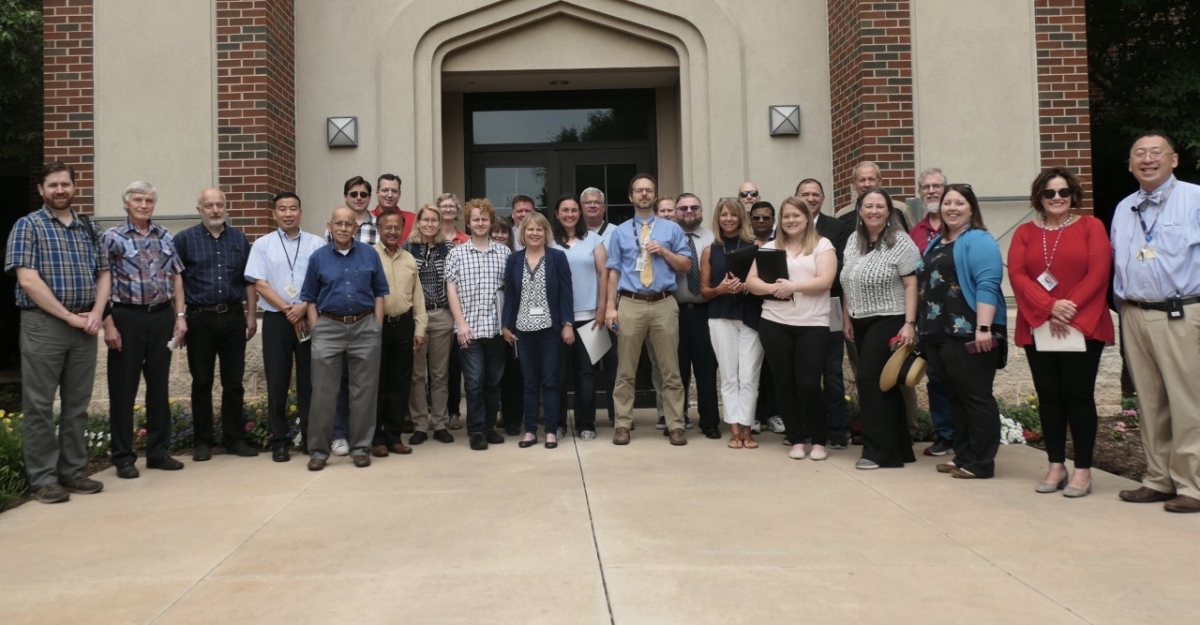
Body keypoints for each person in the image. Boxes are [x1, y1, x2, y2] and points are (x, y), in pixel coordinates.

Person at [4, 161, 109, 502]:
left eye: (65, 184)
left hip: (85, 325)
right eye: (53, 185)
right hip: (44, 325)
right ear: (41, 190)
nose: (60, 190)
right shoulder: (27, 226)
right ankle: (44, 479)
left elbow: (104, 274)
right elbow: (27, 279)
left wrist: (95, 314)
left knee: (77, 405)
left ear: (74, 187)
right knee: (39, 405)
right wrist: (68, 316)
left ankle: (73, 472)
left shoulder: (89, 229)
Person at [1009, 167, 1113, 497]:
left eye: (1063, 192)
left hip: (1084, 322)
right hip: (1039, 323)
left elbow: (1099, 271)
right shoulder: (1025, 232)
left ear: (1073, 196)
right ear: (1038, 197)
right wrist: (1049, 307)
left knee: (1078, 395)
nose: (1057, 198)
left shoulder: (1091, 227)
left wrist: (1067, 308)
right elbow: (1017, 275)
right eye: (1049, 193)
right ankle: (1056, 465)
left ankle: (1082, 469)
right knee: (1049, 396)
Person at [1111, 131, 1200, 513]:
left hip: (1181, 312)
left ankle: (1191, 485)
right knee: (1149, 401)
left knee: (1187, 402)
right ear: (1130, 164)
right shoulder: (1123, 207)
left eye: (1155, 153)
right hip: (1134, 313)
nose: (1147, 160)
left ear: (1174, 159)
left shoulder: (1194, 199)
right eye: (1139, 154)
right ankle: (1157, 478)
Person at [916, 184, 1006, 479]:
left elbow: (988, 284)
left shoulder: (978, 240)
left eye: (959, 203)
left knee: (976, 397)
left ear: (971, 208)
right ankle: (964, 454)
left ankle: (981, 461)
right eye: (947, 203)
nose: (952, 208)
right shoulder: (937, 242)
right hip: (937, 332)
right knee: (954, 397)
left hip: (968, 332)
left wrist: (983, 327)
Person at [101, 181, 188, 479]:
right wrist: (107, 323)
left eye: (148, 200)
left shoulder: (164, 235)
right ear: (126, 203)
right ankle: (124, 457)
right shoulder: (111, 237)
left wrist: (180, 316)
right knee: (123, 390)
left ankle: (158, 452)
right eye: (137, 200)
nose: (143, 205)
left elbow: (176, 277)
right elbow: (100, 282)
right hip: (126, 317)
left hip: (161, 317)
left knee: (159, 388)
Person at [605, 173, 692, 446]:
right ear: (631, 197)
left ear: (655, 195)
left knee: (670, 369)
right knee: (625, 370)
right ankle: (622, 424)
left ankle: (675, 423)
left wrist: (664, 252)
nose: (644, 194)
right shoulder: (619, 232)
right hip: (630, 303)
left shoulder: (672, 229)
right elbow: (613, 272)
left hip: (664, 302)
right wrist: (610, 307)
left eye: (649, 190)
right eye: (639, 191)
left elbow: (686, 266)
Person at [747, 197, 835, 461]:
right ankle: (796, 438)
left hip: (813, 324)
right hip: (775, 323)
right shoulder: (770, 248)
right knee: (784, 384)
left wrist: (793, 287)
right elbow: (751, 282)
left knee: (809, 384)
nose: (791, 220)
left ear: (807, 217)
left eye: (796, 215)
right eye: (786, 216)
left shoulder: (822, 245)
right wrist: (774, 288)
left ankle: (818, 439)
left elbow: (826, 280)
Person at [173, 187, 258, 461]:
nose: (215, 210)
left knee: (234, 382)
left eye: (219, 204)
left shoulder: (238, 239)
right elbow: (177, 281)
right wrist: (180, 317)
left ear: (225, 207)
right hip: (199, 318)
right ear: (200, 210)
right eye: (209, 205)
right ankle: (202, 441)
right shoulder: (185, 240)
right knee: (202, 381)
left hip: (233, 317)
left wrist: (250, 315)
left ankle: (235, 439)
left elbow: (248, 281)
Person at [301, 206, 389, 471]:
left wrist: (376, 326)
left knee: (364, 392)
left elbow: (380, 293)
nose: (342, 228)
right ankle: (318, 450)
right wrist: (317, 328)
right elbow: (309, 297)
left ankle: (361, 447)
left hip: (364, 327)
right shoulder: (318, 258)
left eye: (348, 224)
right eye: (338, 223)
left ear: (355, 228)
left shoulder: (369, 254)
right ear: (329, 226)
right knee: (323, 393)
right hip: (328, 327)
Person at [840, 188, 920, 469]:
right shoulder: (853, 241)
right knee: (885, 383)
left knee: (869, 380)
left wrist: (909, 324)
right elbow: (848, 280)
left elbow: (911, 285)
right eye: (868, 206)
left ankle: (879, 453)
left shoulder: (900, 242)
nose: (874, 211)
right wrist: (847, 317)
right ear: (859, 210)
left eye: (880, 206)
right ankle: (900, 448)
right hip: (860, 320)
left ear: (889, 211)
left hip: (890, 318)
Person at [245, 192, 324, 462]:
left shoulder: (316, 243)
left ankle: (310, 438)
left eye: (293, 208)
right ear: (274, 214)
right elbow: (259, 283)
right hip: (278, 319)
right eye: (282, 209)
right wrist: (287, 309)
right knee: (277, 381)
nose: (288, 213)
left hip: (308, 315)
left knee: (309, 382)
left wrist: (303, 305)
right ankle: (279, 440)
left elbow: (322, 279)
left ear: (300, 212)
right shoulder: (262, 245)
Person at [502, 212, 575, 449]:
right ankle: (531, 430)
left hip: (551, 330)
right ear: (523, 233)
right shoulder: (514, 260)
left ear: (546, 233)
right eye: (530, 230)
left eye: (539, 229)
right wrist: (506, 325)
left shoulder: (557, 257)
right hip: (523, 330)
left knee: (551, 381)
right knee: (529, 382)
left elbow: (566, 293)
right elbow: (510, 296)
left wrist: (567, 324)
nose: (534, 233)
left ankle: (551, 431)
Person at [446, 198, 511, 450]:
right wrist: (460, 324)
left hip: (496, 329)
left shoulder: (503, 253)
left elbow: (510, 291)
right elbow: (451, 290)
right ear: (469, 222)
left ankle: (488, 427)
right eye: (476, 219)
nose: (480, 223)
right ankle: (475, 430)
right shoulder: (457, 254)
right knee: (473, 382)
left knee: (492, 382)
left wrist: (506, 325)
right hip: (469, 329)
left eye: (484, 219)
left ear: (491, 222)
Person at [700, 197, 762, 448]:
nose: (728, 219)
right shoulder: (710, 250)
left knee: (748, 376)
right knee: (728, 376)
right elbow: (704, 290)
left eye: (733, 214)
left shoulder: (755, 245)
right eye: (723, 214)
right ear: (718, 218)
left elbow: (766, 282)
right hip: (720, 317)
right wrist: (721, 288)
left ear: (740, 217)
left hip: (750, 317)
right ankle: (734, 429)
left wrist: (747, 285)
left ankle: (748, 428)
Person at [328, 175, 383, 455]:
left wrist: (377, 323)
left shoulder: (379, 227)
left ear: (369, 197)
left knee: (364, 384)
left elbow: (379, 283)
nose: (359, 198)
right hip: (336, 318)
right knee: (339, 381)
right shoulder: (334, 227)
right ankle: (339, 433)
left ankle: (364, 438)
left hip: (366, 316)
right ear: (346, 196)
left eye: (363, 194)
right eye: (354, 193)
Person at [796, 179, 851, 449]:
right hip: (800, 306)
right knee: (806, 371)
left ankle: (837, 428)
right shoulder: (790, 226)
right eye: (804, 194)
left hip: (832, 305)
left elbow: (840, 267)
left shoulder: (837, 227)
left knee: (831, 370)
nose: (810, 198)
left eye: (815, 194)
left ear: (823, 198)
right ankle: (806, 427)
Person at [551, 194, 609, 440]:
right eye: (565, 210)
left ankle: (586, 423)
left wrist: (602, 308)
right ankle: (560, 423)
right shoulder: (548, 240)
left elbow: (605, 274)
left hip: (589, 316)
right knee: (558, 373)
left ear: (580, 213)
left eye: (574, 210)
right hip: (556, 318)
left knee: (586, 373)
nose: (570, 214)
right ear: (556, 213)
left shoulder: (594, 240)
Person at [371, 210, 426, 458]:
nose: (392, 231)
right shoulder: (368, 255)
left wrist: (419, 328)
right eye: (387, 227)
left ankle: (394, 437)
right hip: (376, 327)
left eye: (396, 227)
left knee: (399, 384)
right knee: (377, 384)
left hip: (403, 325)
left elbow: (418, 296)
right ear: (379, 228)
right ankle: (377, 438)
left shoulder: (409, 259)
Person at [908, 168, 956, 456]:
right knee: (936, 378)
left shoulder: (965, 226)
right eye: (926, 187)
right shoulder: (917, 232)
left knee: (963, 378)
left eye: (937, 186)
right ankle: (945, 435)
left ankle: (967, 435)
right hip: (929, 316)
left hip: (961, 315)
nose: (931, 191)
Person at [406, 205, 456, 445]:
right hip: (416, 317)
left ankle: (440, 423)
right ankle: (419, 424)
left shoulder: (449, 248)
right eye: (425, 219)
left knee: (439, 374)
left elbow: (454, 281)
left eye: (434, 220)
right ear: (418, 222)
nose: (429, 224)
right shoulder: (408, 248)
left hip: (441, 315)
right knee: (417, 375)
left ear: (439, 223)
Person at [673, 193, 720, 439]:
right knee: (676, 369)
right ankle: (677, 420)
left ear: (701, 210)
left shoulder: (714, 239)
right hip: (674, 312)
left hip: (705, 312)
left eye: (694, 207)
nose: (689, 211)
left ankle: (710, 421)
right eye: (683, 208)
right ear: (675, 211)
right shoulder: (668, 238)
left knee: (706, 369)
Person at [581, 187, 619, 424]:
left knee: (615, 364)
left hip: (615, 308)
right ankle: (588, 419)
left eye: (597, 203)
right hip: (586, 310)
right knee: (587, 368)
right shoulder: (574, 234)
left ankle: (618, 416)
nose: (592, 206)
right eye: (588, 203)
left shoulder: (617, 232)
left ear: (604, 207)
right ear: (582, 207)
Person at [436, 192, 469, 428]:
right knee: (439, 365)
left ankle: (454, 412)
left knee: (457, 362)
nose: (448, 210)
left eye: (451, 206)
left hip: (460, 308)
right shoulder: (431, 237)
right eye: (443, 206)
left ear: (457, 211)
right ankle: (439, 412)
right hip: (436, 307)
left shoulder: (465, 240)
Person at [748, 200, 781, 436]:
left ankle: (774, 413)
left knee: (773, 365)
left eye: (766, 217)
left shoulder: (781, 244)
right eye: (757, 217)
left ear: (773, 220)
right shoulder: (745, 245)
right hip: (749, 309)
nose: (761, 221)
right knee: (753, 366)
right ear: (750, 220)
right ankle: (756, 414)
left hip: (778, 310)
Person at [491, 216, 523, 435]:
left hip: (512, 321)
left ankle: (513, 419)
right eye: (496, 232)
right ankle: (494, 415)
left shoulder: (515, 258)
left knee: (513, 374)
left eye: (504, 232)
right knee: (494, 375)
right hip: (488, 322)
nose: (500, 236)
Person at [373, 173, 416, 242]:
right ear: (377, 192)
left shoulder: (413, 220)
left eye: (394, 191)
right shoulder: (367, 219)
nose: (390, 195)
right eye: (385, 190)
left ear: (399, 194)